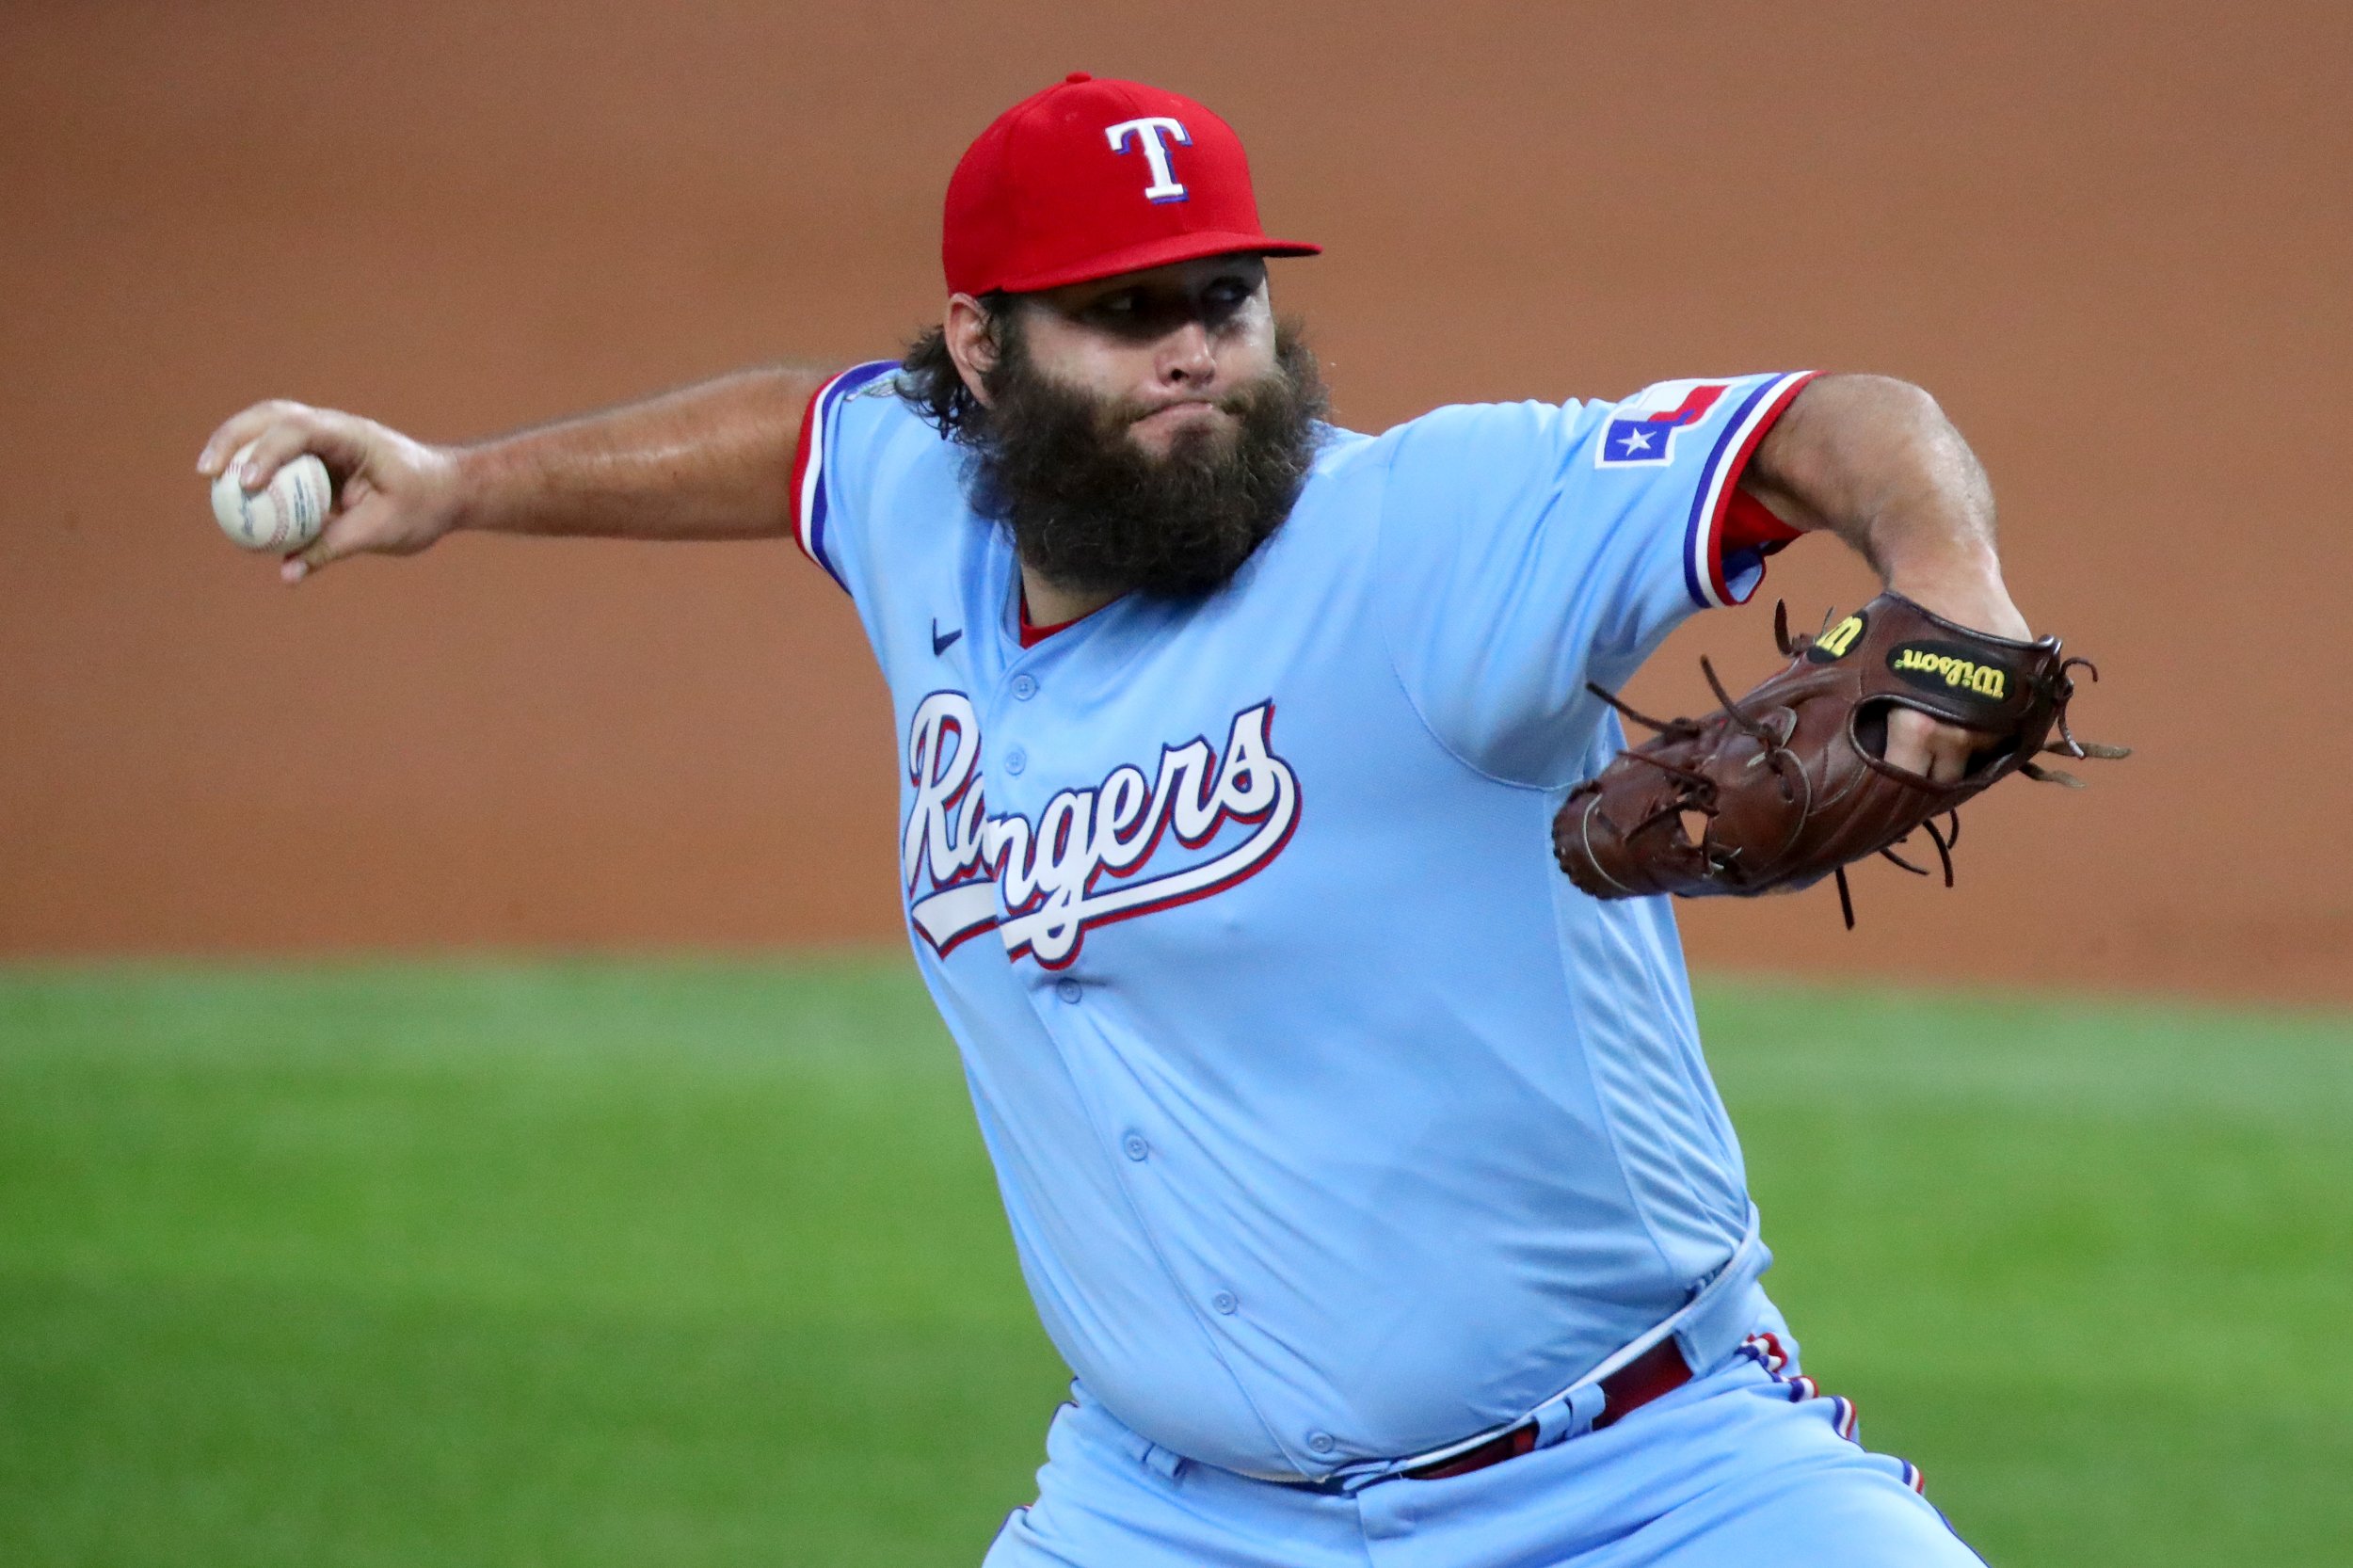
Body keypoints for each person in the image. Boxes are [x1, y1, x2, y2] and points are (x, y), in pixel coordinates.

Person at [200, 72, 2020, 1568]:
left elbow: (1831, 424)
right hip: (1164, 1521)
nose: (1193, 356)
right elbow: (801, 439)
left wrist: (1956, 592)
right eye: (1123, 313)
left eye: (1220, 300)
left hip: (1640, 1488)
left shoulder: (1433, 535)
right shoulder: (931, 498)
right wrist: (451, 485)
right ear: (980, 355)